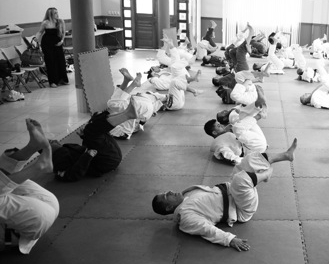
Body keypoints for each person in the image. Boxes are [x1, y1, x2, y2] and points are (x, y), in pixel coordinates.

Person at [151, 140, 297, 251]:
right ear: (169, 207)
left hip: (232, 190)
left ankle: (286, 155)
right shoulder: (185, 217)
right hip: (241, 208)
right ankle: (266, 174)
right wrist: (230, 239)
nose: (170, 191)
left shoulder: (187, 194)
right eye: (166, 195)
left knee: (248, 160)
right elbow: (206, 229)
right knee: (240, 180)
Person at [1, 119, 59, 254]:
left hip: (44, 208)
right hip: (18, 232)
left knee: (47, 205)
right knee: (41, 214)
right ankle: (35, 165)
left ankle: (32, 148)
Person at [50, 105, 138, 182]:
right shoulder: (58, 162)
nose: (53, 140)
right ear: (47, 151)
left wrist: (84, 137)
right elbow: (73, 175)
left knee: (93, 121)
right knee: (90, 130)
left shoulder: (63, 149)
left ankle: (126, 113)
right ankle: (128, 114)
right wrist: (87, 156)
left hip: (105, 156)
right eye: (50, 142)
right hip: (105, 162)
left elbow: (85, 149)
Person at [35, 7, 69, 88]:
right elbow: (40, 32)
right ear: (50, 14)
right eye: (55, 13)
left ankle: (62, 79)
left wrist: (62, 41)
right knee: (50, 62)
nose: (57, 14)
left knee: (60, 60)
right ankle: (53, 81)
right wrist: (36, 38)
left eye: (57, 12)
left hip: (58, 43)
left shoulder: (60, 21)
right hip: (47, 44)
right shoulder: (45, 23)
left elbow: (64, 32)